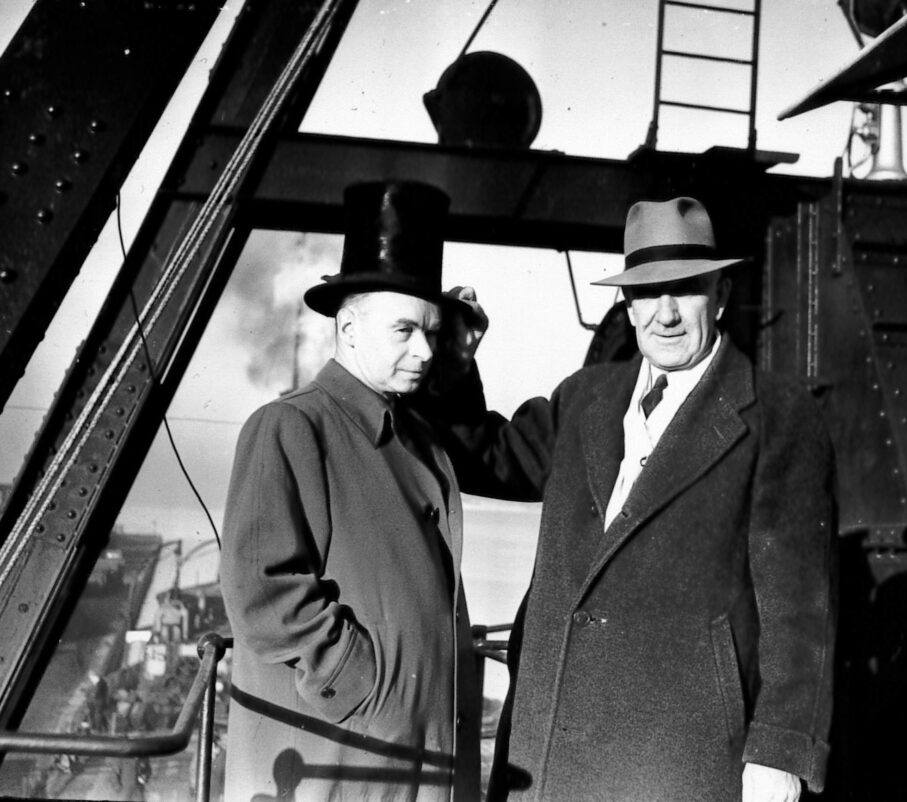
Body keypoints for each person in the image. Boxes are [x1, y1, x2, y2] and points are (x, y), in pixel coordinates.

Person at [429, 197, 837, 801]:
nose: (666, 314)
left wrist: (779, 752)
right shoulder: (584, 399)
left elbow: (800, 609)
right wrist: (457, 360)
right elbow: (489, 459)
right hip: (546, 752)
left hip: (677, 759)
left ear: (721, 294)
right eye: (647, 292)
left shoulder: (780, 417)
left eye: (687, 289)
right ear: (627, 302)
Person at [220, 181, 481, 802]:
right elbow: (262, 589)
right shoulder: (291, 426)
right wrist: (364, 683)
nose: (423, 350)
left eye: (433, 332)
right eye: (403, 330)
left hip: (409, 758)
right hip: (339, 761)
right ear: (349, 327)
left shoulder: (417, 438)